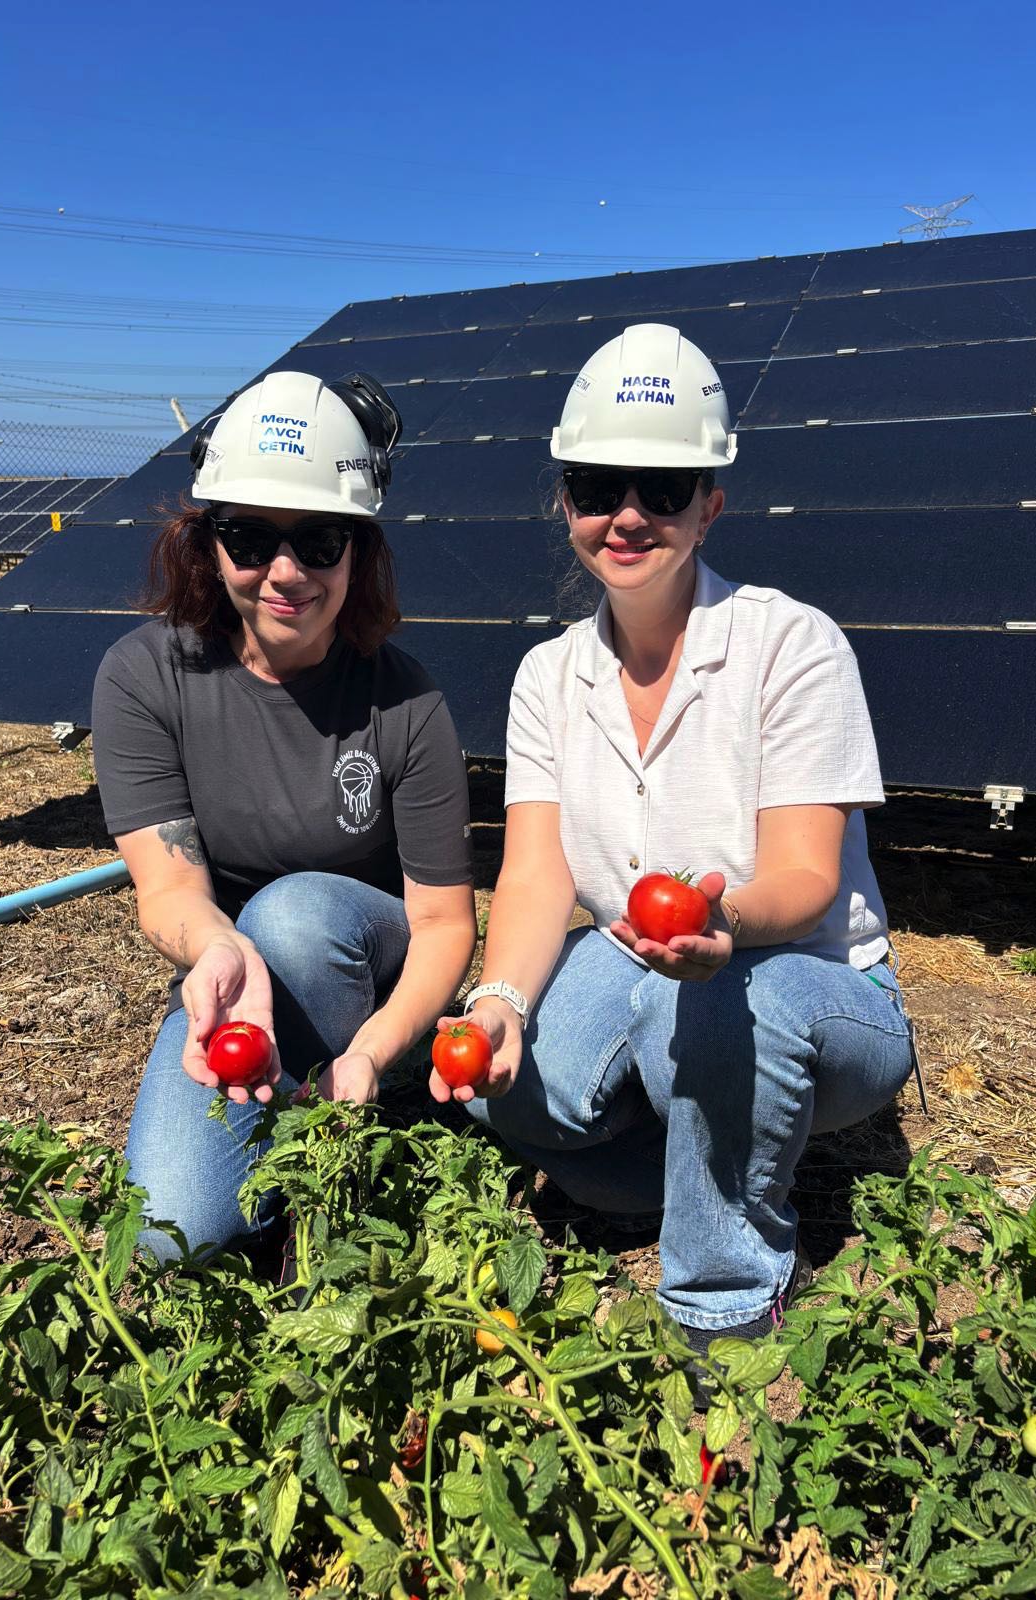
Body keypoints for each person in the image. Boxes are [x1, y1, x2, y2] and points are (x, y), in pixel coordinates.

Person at [430, 323, 914, 1364]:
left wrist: (718, 917)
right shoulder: (549, 678)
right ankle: (710, 1154)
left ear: (711, 503)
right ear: (565, 500)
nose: (629, 516)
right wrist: (501, 1002)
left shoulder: (791, 644)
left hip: (812, 979)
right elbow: (535, 872)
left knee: (721, 1007)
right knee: (519, 1093)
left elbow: (803, 879)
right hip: (634, 956)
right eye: (600, 485)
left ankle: (723, 1310)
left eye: (664, 487)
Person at [92, 370, 476, 1262]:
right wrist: (223, 954)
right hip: (249, 980)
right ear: (207, 542)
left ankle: (336, 1143)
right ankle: (274, 1161)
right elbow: (171, 888)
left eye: (321, 541)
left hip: (373, 966)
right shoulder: (143, 677)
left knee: (299, 909)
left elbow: (445, 923)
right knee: (167, 1234)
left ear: (361, 549)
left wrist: (375, 1053)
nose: (286, 572)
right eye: (250, 538)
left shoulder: (405, 702)